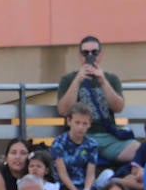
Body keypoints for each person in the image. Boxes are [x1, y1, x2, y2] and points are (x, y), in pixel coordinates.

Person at [56, 35, 140, 164]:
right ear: (80, 56)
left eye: (94, 53)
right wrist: (78, 80)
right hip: (80, 137)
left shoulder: (111, 79)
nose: (90, 56)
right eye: (86, 53)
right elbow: (63, 110)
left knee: (140, 150)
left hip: (108, 138)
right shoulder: (68, 79)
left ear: (100, 55)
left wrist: (103, 81)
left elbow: (118, 108)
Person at [52, 104, 99, 190]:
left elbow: (91, 173)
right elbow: (62, 173)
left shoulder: (92, 144)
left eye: (85, 124)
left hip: (84, 185)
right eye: (77, 122)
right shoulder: (59, 143)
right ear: (69, 121)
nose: (81, 127)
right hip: (65, 185)